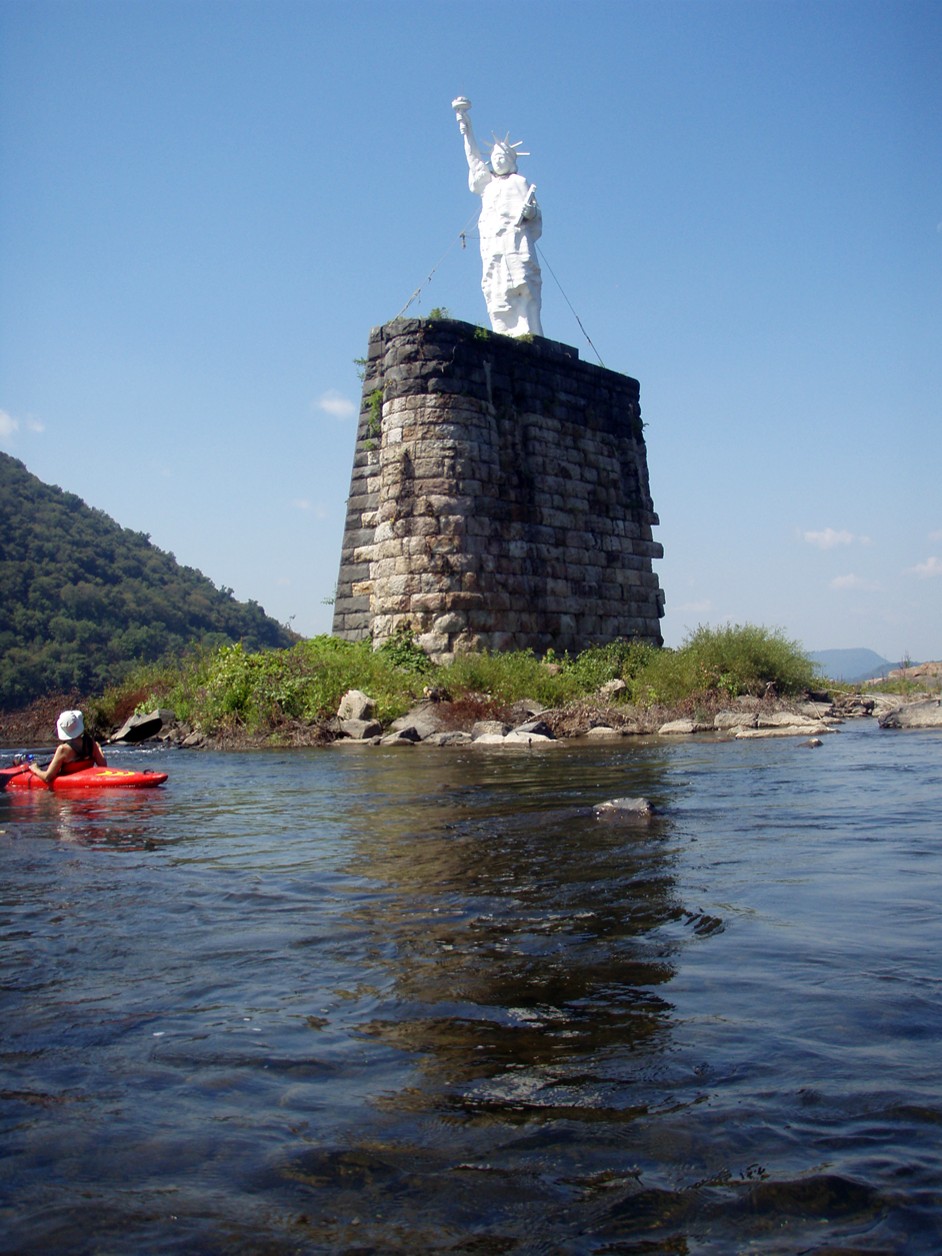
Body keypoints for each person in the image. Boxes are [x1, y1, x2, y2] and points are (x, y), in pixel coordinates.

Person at [452, 97, 543, 338]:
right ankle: (502, 329)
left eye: (503, 156)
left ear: (512, 161)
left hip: (515, 240)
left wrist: (529, 212)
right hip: (492, 243)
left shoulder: (519, 182)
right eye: (495, 157)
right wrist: (466, 128)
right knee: (494, 285)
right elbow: (473, 160)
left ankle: (528, 327)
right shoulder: (488, 185)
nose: (498, 159)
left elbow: (535, 214)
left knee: (523, 281)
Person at [30, 709, 107, 784]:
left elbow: (47, 777)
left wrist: (35, 769)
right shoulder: (91, 743)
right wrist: (99, 749)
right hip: (85, 781)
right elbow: (103, 766)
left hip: (72, 785)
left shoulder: (62, 750)